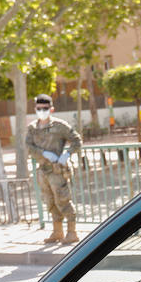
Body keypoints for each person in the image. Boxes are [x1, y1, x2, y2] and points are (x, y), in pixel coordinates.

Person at [25, 93, 82, 243]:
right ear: (35, 109)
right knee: (50, 202)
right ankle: (58, 232)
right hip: (43, 170)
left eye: (45, 108)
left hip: (57, 170)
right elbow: (28, 146)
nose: (41, 111)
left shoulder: (59, 126)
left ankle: (72, 232)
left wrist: (67, 154)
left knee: (63, 200)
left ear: (51, 109)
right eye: (39, 108)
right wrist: (43, 153)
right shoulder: (32, 128)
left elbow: (77, 140)